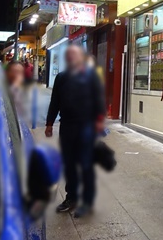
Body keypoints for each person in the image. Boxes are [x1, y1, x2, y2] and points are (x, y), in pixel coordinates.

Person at [45, 45, 106, 217]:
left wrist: (99, 121)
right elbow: (55, 101)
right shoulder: (61, 78)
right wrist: (49, 123)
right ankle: (71, 197)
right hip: (67, 126)